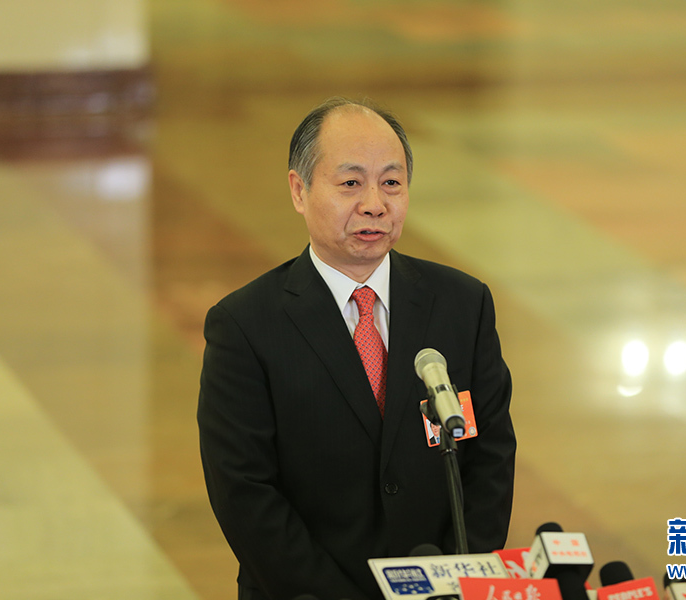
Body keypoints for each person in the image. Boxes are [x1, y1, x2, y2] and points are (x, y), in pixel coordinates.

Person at [198, 97, 516, 600]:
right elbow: (243, 492)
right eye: (350, 183)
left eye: (391, 183)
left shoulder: (462, 303)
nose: (374, 204)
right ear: (299, 190)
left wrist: (457, 583)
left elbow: (490, 458)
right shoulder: (245, 325)